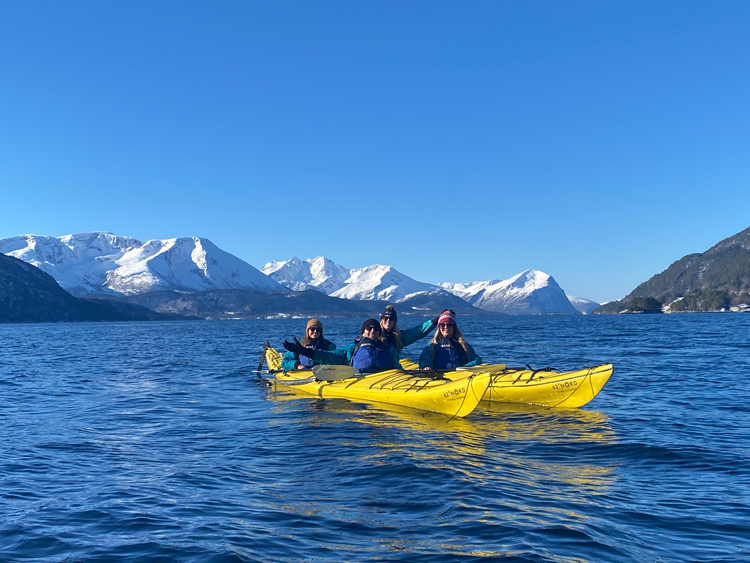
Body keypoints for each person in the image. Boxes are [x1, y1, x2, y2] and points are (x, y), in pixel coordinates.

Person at [284, 318, 399, 372]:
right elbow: (328, 357)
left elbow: (397, 368)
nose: (372, 331)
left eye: (376, 329)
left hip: (385, 379)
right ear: (363, 331)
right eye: (369, 328)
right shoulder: (352, 349)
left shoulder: (390, 349)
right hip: (361, 380)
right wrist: (303, 352)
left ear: (380, 333)